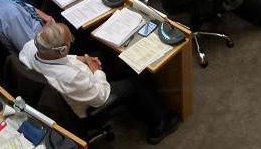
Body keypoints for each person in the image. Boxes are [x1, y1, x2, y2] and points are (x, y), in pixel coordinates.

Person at [19, 22, 180, 144]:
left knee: (105, 56)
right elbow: (100, 96)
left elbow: (58, 60)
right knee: (135, 82)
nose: (71, 43)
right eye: (69, 42)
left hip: (77, 83)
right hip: (88, 103)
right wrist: (97, 71)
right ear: (61, 50)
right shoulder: (70, 77)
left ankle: (136, 100)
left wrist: (80, 58)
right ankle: (159, 124)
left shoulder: (30, 48)